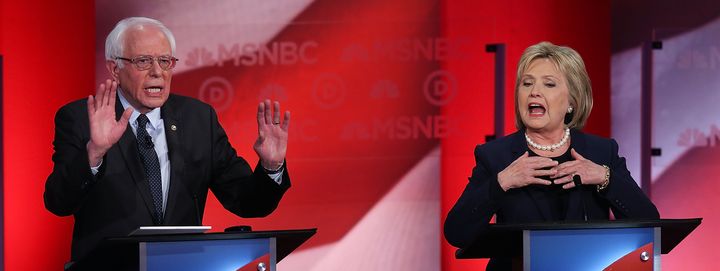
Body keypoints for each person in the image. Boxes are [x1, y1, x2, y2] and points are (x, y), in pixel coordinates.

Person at [44, 17, 291, 263]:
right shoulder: (81, 118)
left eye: (165, 61)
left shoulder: (198, 119)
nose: (157, 72)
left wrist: (271, 167)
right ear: (114, 69)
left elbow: (248, 203)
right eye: (143, 61)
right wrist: (94, 153)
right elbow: (58, 202)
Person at [443, 41, 659, 270]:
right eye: (526, 84)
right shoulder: (497, 156)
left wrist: (605, 177)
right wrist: (502, 182)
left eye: (549, 84)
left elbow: (650, 222)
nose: (534, 91)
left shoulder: (601, 152)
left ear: (571, 103)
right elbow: (457, 232)